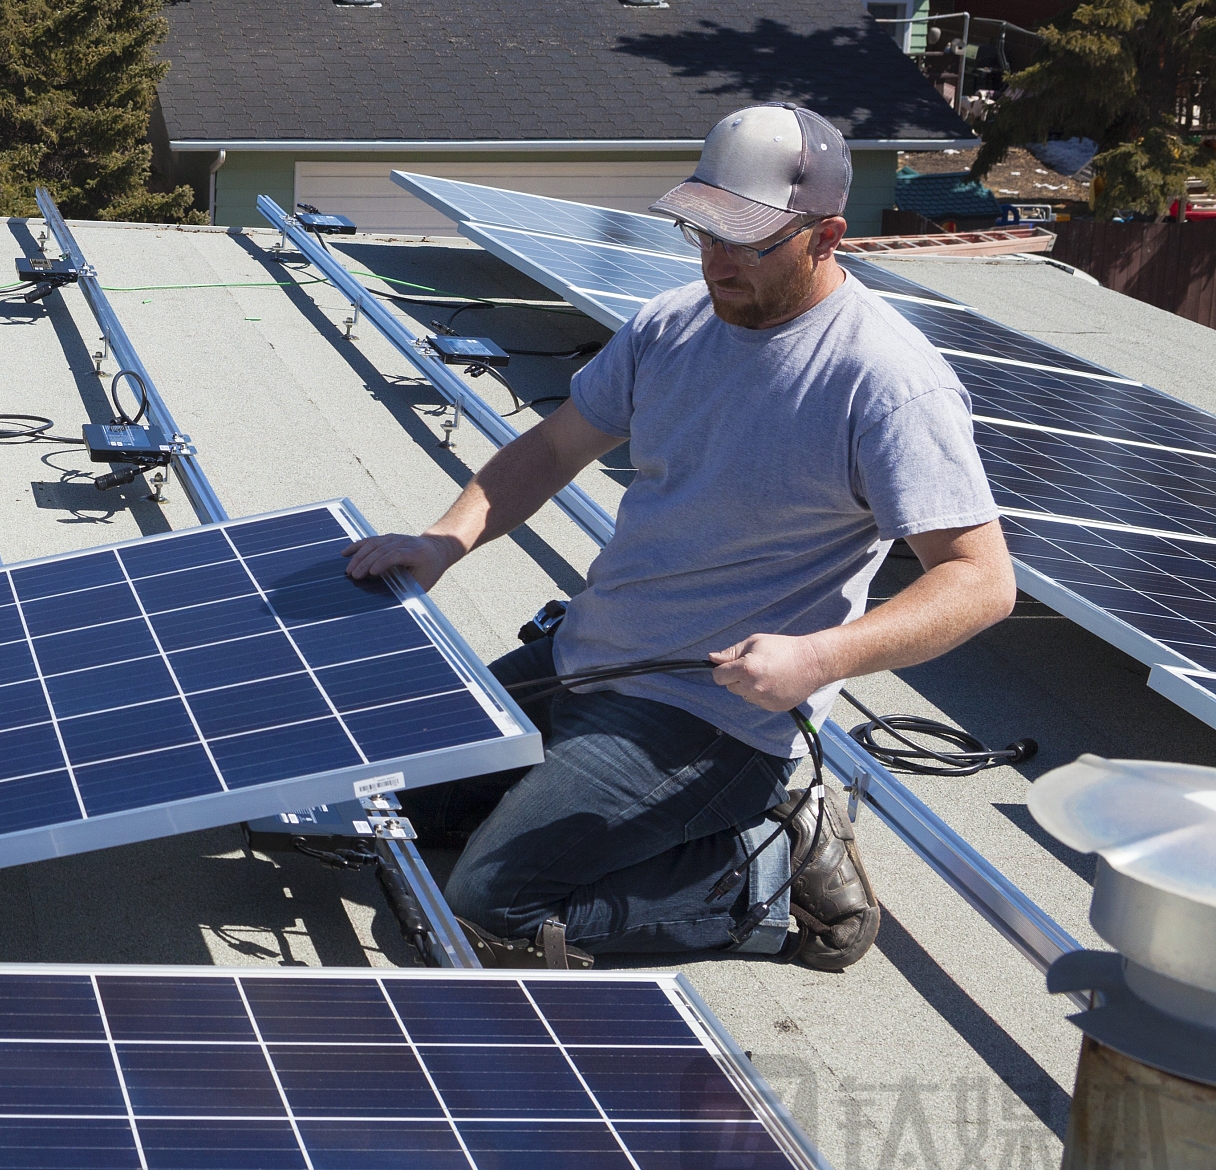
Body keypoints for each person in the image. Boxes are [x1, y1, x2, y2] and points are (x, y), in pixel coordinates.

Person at [345, 103, 1016, 972]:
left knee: (486, 909)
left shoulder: (886, 382)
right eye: (703, 230)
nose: (716, 259)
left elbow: (979, 577)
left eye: (747, 240)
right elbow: (552, 446)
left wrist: (821, 658)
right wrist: (444, 540)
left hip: (715, 718)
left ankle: (762, 870)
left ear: (827, 236)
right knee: (386, 801)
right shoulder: (673, 323)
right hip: (589, 654)